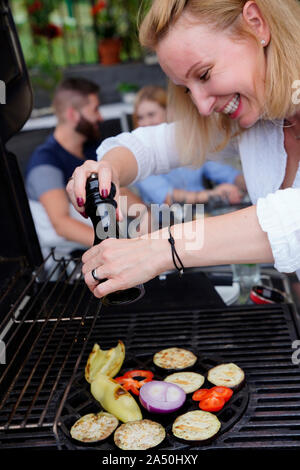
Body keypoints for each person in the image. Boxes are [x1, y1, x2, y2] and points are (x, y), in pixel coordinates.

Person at [67, 0, 300, 300]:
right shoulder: (261, 119)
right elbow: (150, 146)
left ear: (257, 24)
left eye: (203, 74)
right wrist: (105, 169)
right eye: (187, 89)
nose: (202, 107)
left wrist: (160, 249)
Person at [26, 77, 102, 267]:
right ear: (73, 114)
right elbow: (61, 224)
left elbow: (120, 190)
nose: (100, 117)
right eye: (94, 109)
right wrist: (119, 244)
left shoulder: (91, 149)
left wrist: (146, 217)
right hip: (71, 263)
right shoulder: (45, 162)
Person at [130, 85, 246, 206]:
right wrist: (215, 194)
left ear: (169, 112)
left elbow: (225, 173)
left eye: (151, 115)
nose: (145, 123)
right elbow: (168, 197)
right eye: (140, 118)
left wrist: (247, 182)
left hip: (202, 215)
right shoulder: (139, 158)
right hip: (168, 221)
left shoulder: (187, 142)